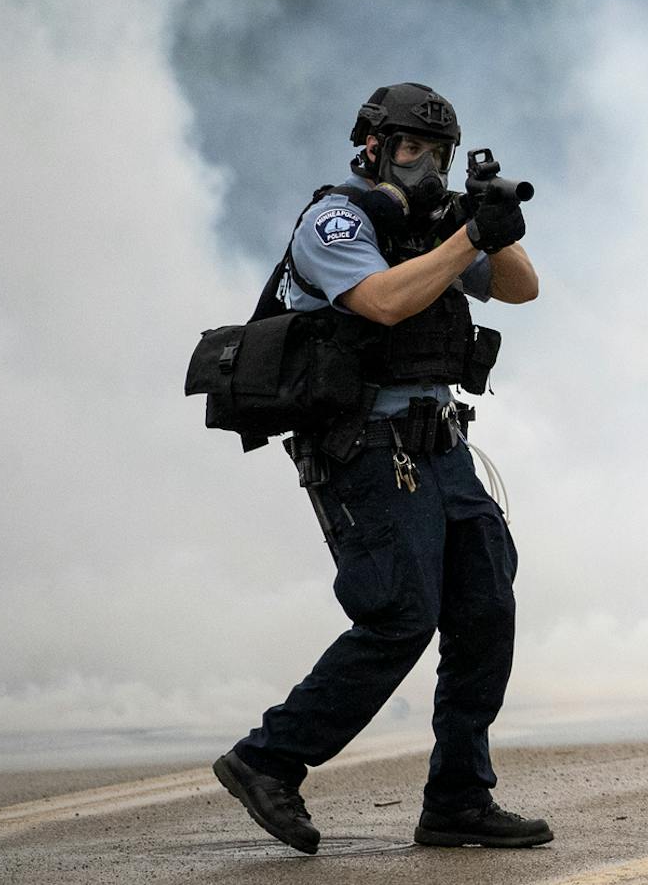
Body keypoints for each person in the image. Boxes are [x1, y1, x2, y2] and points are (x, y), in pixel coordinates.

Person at [211, 82, 552, 854]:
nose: (424, 165)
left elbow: (523, 289)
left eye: (438, 153)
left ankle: (459, 797)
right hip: (362, 446)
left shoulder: (433, 227)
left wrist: (492, 223)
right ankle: (268, 759)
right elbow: (384, 302)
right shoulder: (338, 220)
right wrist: (466, 238)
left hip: (439, 445)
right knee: (398, 612)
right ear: (371, 145)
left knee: (485, 606)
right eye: (410, 149)